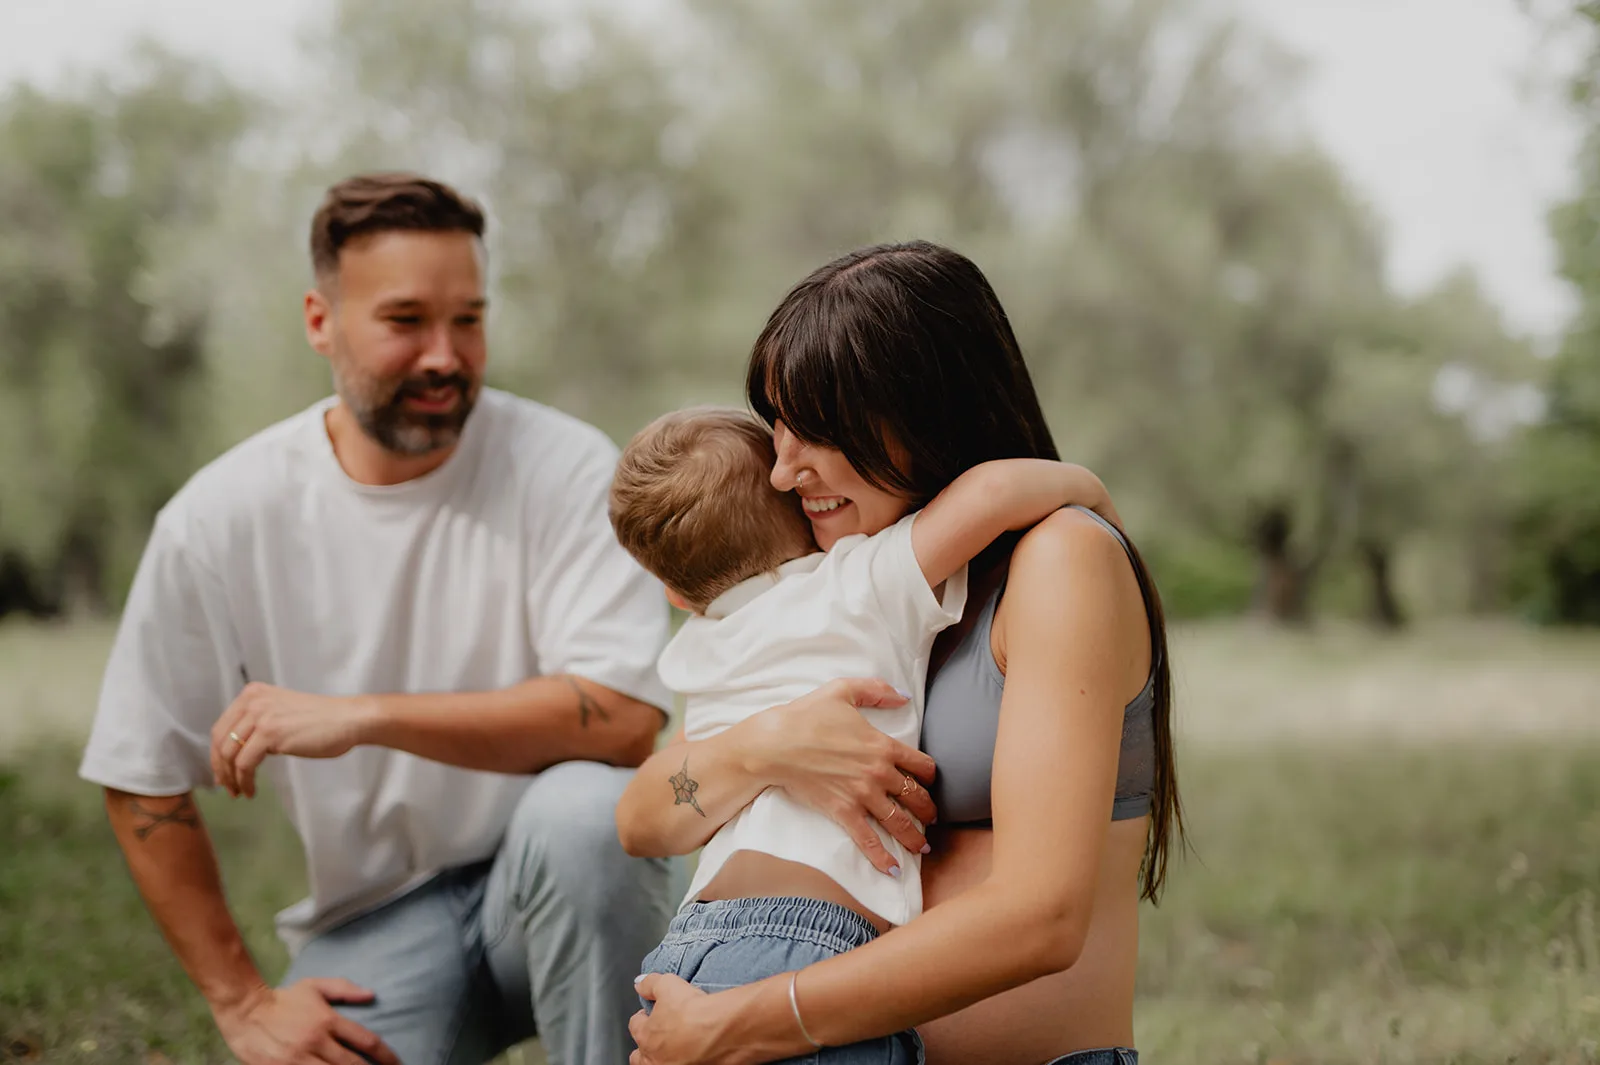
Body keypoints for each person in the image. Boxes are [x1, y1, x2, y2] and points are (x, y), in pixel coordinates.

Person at [77, 172, 677, 1065]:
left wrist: (361, 716)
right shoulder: (220, 518)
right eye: (406, 321)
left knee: (589, 816)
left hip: (554, 872)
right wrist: (242, 1002)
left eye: (468, 319)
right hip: (377, 919)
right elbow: (139, 769)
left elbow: (624, 722)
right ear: (321, 320)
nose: (445, 353)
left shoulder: (565, 467)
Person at [617, 240, 1183, 1065]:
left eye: (817, 429)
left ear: (924, 410)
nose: (782, 471)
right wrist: (770, 745)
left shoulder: (1060, 559)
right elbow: (645, 813)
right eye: (777, 428)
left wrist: (745, 1019)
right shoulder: (829, 596)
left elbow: (1041, 916)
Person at [608, 408, 1119, 1063]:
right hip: (811, 944)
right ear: (800, 514)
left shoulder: (697, 649)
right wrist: (1093, 494)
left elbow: (662, 802)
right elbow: (994, 493)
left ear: (675, 594)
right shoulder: (857, 580)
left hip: (688, 946)